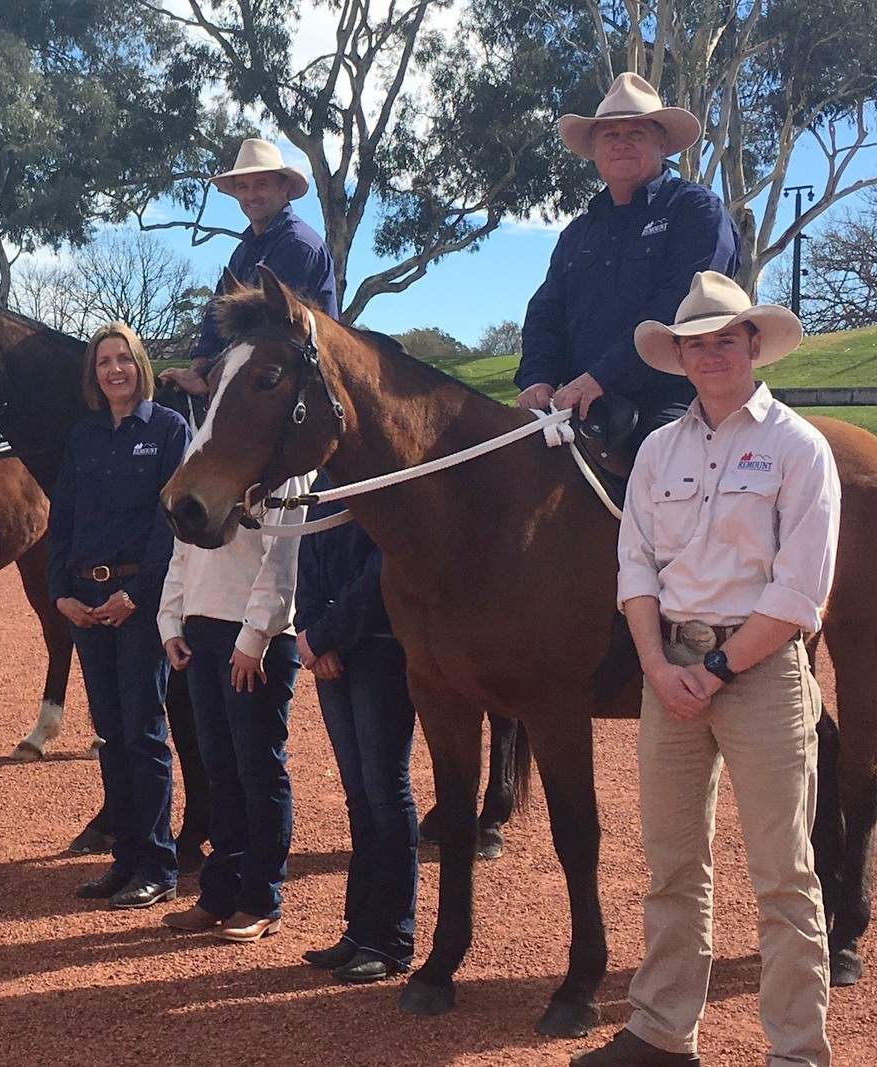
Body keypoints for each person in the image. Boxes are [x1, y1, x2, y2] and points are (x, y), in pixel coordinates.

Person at [575, 271, 840, 1067]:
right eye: (696, 344)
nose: (711, 354)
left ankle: (797, 1052)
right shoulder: (659, 451)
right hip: (669, 672)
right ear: (680, 357)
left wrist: (718, 667)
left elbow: (800, 589)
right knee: (671, 865)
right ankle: (662, 1032)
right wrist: (657, 663)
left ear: (753, 345)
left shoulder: (798, 446)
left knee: (783, 874)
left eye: (726, 339)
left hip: (761, 674)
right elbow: (635, 566)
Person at [47, 322, 188, 909]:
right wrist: (61, 593)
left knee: (143, 733)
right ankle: (125, 858)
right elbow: (62, 519)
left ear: (140, 366)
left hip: (137, 604)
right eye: (104, 361)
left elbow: (169, 523)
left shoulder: (168, 429)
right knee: (109, 733)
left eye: (123, 359)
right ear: (93, 374)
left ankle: (157, 864)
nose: (114, 370)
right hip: (85, 600)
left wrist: (138, 595)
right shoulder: (81, 436)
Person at [518, 72, 740, 435]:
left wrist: (602, 376)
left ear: (661, 144)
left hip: (671, 394)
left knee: (668, 457)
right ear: (594, 150)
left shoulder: (695, 211)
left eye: (635, 133)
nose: (621, 143)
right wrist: (537, 377)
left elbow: (681, 306)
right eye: (610, 135)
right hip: (579, 399)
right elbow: (546, 310)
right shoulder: (577, 233)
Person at [157, 469, 311, 941]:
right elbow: (183, 548)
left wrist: (254, 636)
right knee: (219, 770)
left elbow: (282, 558)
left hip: (257, 640)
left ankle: (261, 900)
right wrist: (171, 621)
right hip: (201, 630)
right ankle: (219, 894)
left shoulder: (286, 470)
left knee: (258, 771)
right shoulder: (204, 457)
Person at [294, 494, 418, 984]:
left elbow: (380, 571)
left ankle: (391, 939)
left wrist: (325, 634)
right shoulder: (325, 483)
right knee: (360, 798)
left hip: (380, 650)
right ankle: (360, 928)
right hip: (332, 651)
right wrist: (310, 630)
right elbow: (306, 557)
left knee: (386, 794)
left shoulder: (385, 483)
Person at [159, 139, 337, 397]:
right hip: (258, 374)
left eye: (261, 184)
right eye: (243, 187)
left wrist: (211, 375)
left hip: (302, 385)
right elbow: (218, 311)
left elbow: (268, 328)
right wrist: (197, 369)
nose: (251, 195)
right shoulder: (243, 252)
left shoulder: (298, 245)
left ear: (285, 189)